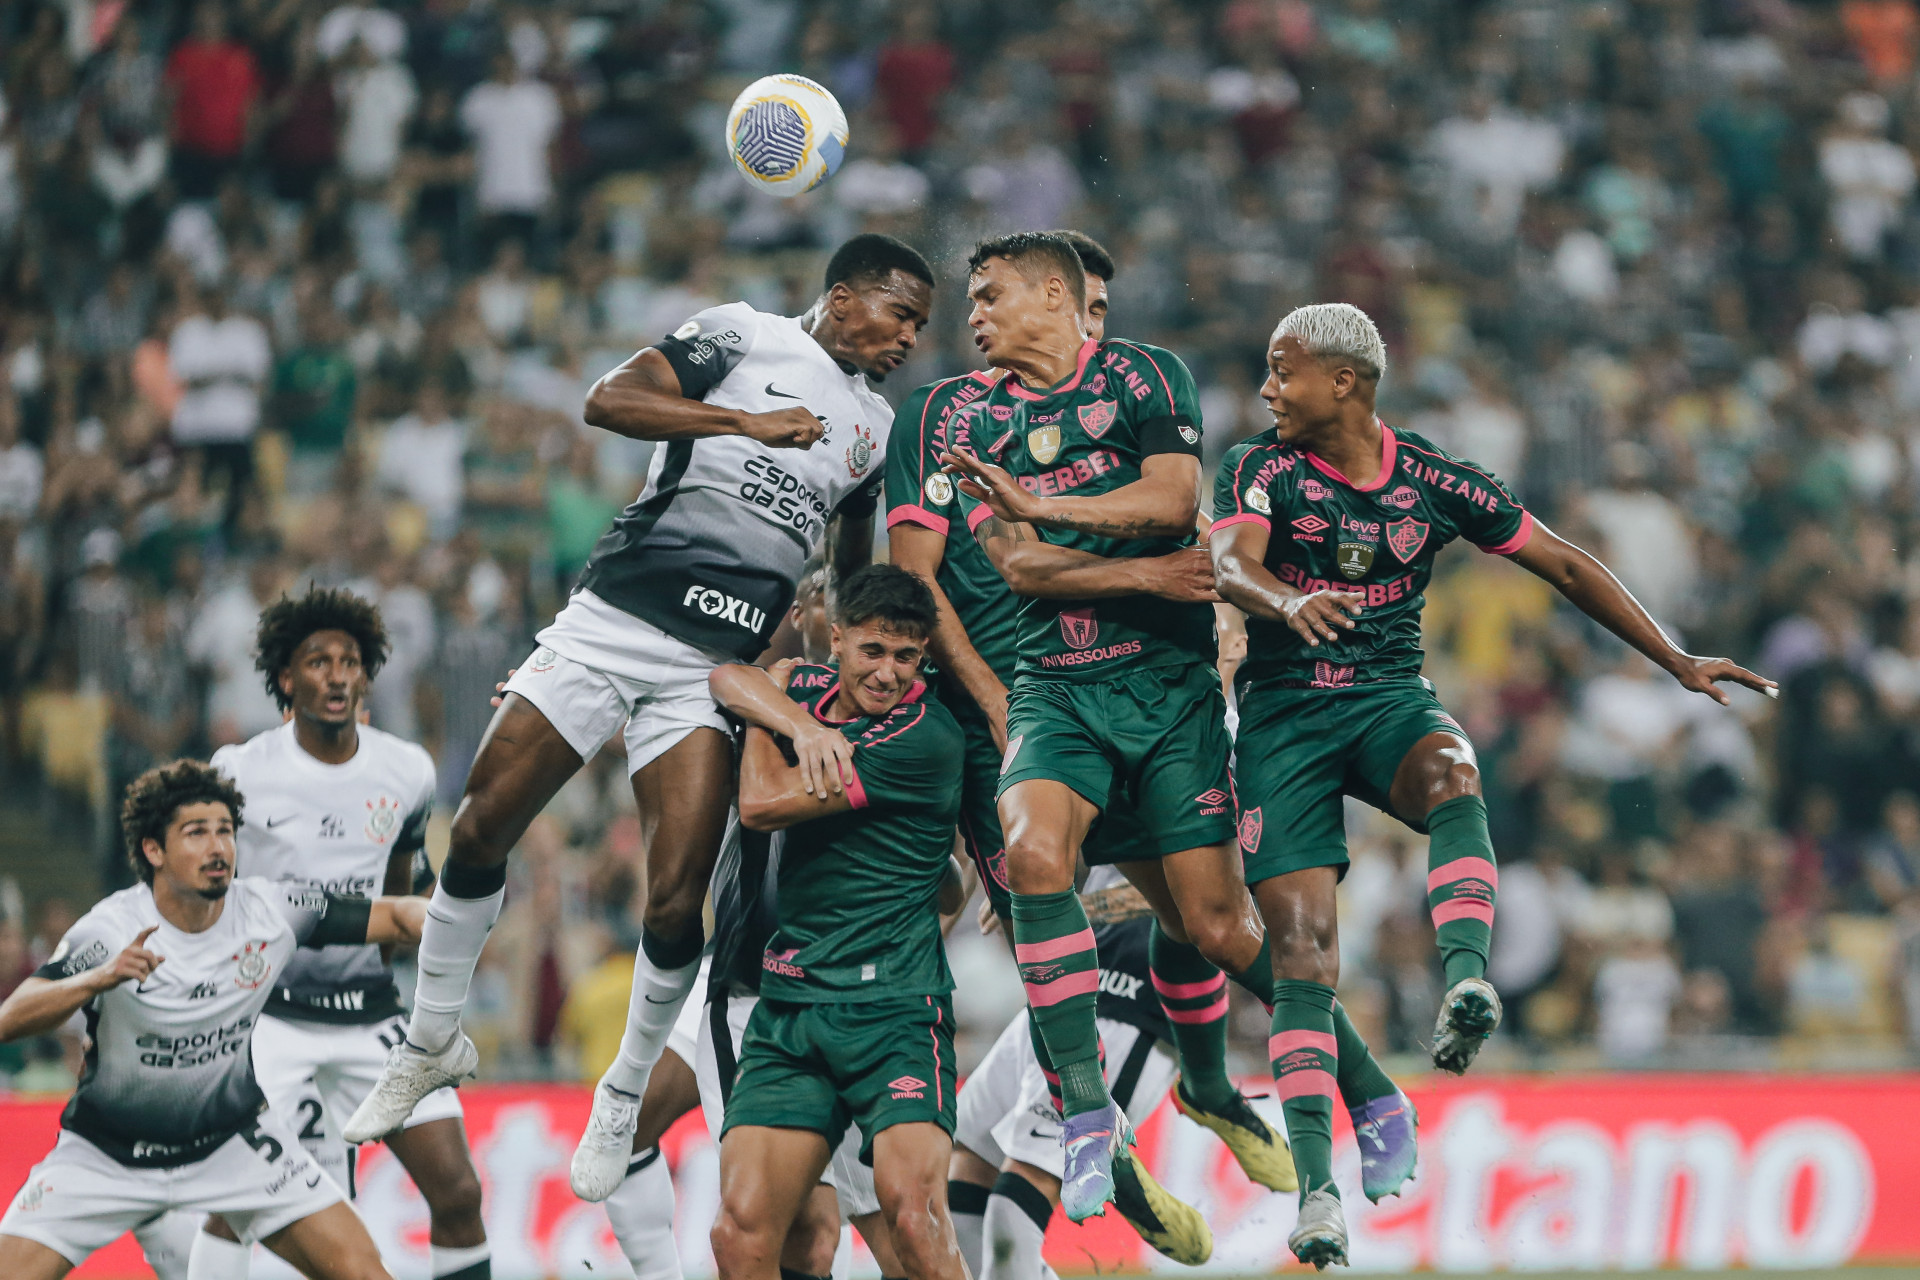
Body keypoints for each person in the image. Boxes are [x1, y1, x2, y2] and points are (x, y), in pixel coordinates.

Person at [344, 236, 936, 1209]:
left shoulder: (874, 428)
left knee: (675, 900)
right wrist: (746, 421)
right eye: (901, 313)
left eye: (920, 323)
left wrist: (821, 654)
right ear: (844, 296)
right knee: (484, 822)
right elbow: (608, 400)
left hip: (711, 669)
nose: (912, 336)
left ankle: (623, 1092)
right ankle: (429, 1039)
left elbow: (846, 574)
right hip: (613, 619)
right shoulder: (740, 334)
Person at [1207, 302, 1776, 1266]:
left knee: (1454, 768)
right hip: (1282, 722)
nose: (1267, 389)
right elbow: (1228, 563)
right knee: (1300, 956)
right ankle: (1316, 1198)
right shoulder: (1259, 467)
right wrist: (1286, 599)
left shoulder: (1433, 478)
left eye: (1282, 370)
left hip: (1386, 700)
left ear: (1343, 381)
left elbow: (1559, 561)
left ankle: (1467, 982)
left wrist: (1673, 657)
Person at [888, 231, 1294, 1246]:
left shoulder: (1125, 405)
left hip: (1111, 690)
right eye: (1086, 310)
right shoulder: (946, 415)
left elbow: (1176, 538)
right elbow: (915, 577)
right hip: (1001, 704)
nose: (1099, 335)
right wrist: (984, 693)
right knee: (1056, 902)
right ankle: (1097, 1131)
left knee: (1170, 898)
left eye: (1107, 317)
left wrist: (1216, 622)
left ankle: (1169, 1097)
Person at [0, 759, 429, 1280]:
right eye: (196, 833)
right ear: (153, 850)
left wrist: (458, 917)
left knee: (365, 1273)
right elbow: (11, 1016)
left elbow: (398, 915)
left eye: (225, 830)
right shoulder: (111, 930)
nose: (217, 847)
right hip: (107, 1157)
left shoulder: (272, 911)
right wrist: (97, 979)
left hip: (232, 1145)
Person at [600, 567, 897, 1280]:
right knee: (788, 1222)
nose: (837, 613)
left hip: (856, 990)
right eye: (826, 592)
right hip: (753, 981)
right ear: (805, 612)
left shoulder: (905, 720)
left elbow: (941, 883)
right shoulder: (752, 694)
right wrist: (557, 693)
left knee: (887, 1232)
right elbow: (697, 692)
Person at [189, 588, 489, 1280]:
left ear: (367, 675)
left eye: (351, 661)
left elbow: (404, 892)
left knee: (460, 1192)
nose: (338, 675)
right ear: (286, 678)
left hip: (373, 1018)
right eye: (318, 661)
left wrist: (447, 911)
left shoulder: (406, 770)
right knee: (236, 1203)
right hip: (271, 1020)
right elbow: (218, 897)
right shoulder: (239, 771)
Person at [703, 565, 972, 1280]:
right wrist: (788, 711)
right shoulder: (813, 699)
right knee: (741, 1234)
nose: (888, 674)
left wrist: (771, 718)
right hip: (791, 1007)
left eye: (907, 657)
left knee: (912, 1219)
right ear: (841, 639)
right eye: (873, 651)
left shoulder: (924, 736)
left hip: (893, 1012)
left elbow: (760, 803)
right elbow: (730, 676)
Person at [949, 870, 1223, 1278]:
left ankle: (1108, 1146)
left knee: (1012, 1210)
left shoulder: (1209, 807)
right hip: (1056, 985)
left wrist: (1051, 903)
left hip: (1131, 998)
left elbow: (1215, 892)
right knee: (962, 1184)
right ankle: (1117, 1164)